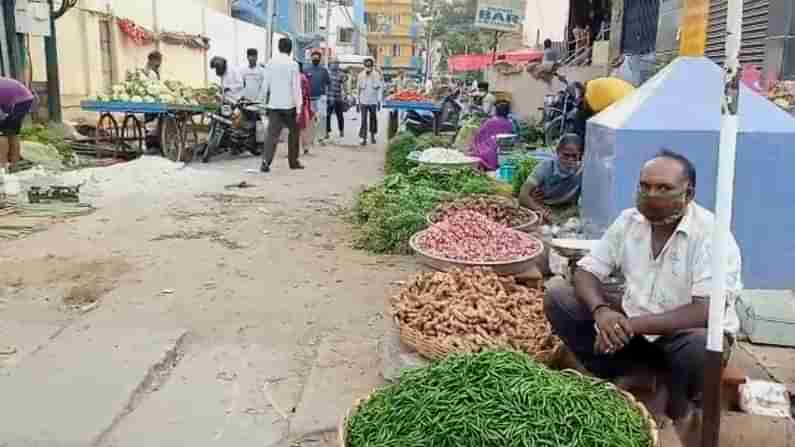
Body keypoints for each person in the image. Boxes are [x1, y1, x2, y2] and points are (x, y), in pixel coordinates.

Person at [544, 150, 742, 429]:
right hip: (636, 328)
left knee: (701, 344)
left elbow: (706, 310)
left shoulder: (711, 235)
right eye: (645, 186)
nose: (652, 194)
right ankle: (630, 372)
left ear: (689, 193)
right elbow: (587, 270)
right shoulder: (628, 222)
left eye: (664, 188)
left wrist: (630, 325)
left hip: (680, 333)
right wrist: (601, 311)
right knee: (557, 295)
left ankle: (679, 399)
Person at [258, 37, 303, 172]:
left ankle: (266, 162)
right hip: (289, 106)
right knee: (294, 132)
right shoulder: (293, 64)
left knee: (272, 134)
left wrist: (261, 103)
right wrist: (299, 107)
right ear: (290, 49)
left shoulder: (270, 63)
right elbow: (296, 87)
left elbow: (265, 85)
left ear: (279, 48)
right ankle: (293, 162)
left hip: (274, 106)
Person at [519, 133, 584, 224]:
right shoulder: (546, 167)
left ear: (580, 155)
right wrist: (544, 213)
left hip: (568, 211)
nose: (570, 160)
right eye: (566, 155)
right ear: (557, 152)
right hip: (545, 207)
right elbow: (523, 195)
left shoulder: (582, 170)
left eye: (574, 156)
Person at [0, 77, 35, 170]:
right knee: (13, 132)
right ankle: (14, 165)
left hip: (19, 101)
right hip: (25, 99)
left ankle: (2, 167)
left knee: (2, 133)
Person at [469, 101, 513, 171]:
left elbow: (479, 134)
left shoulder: (490, 121)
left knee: (478, 148)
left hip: (489, 148)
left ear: (496, 111)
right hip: (503, 148)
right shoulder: (509, 123)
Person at [357, 58, 383, 146]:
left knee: (373, 119)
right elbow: (358, 90)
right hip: (363, 101)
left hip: (373, 101)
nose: (368, 67)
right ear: (364, 66)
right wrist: (357, 103)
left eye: (370, 66)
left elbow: (379, 89)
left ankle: (372, 136)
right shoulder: (360, 75)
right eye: (367, 65)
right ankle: (364, 138)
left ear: (372, 66)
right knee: (363, 120)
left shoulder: (376, 75)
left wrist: (379, 101)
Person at [305, 51, 330, 143]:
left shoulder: (324, 70)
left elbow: (328, 83)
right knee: (310, 119)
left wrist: (327, 96)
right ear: (311, 59)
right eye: (314, 58)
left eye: (317, 58)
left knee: (322, 117)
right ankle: (310, 138)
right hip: (309, 98)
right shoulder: (306, 70)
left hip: (321, 97)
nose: (315, 59)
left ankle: (321, 137)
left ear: (320, 59)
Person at [297, 63, 315, 155]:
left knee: (295, 128)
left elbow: (305, 93)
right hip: (303, 105)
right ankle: (305, 147)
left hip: (297, 106)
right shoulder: (304, 77)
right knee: (303, 127)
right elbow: (307, 92)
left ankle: (298, 148)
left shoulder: (298, 78)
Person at [326, 58, 346, 139]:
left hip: (338, 98)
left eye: (337, 63)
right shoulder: (327, 73)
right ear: (330, 64)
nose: (336, 65)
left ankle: (341, 131)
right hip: (329, 97)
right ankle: (326, 132)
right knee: (327, 115)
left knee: (340, 115)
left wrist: (345, 95)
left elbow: (344, 85)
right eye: (334, 63)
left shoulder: (341, 74)